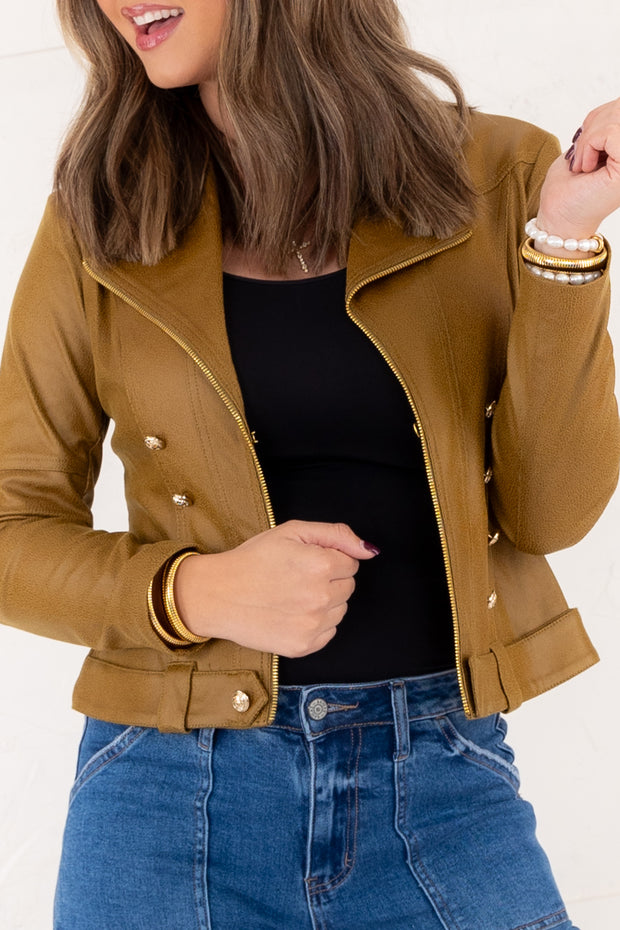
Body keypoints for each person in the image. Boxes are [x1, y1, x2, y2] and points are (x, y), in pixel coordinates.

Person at [0, 0, 619, 927]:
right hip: (169, 789)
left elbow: (549, 515)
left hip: (441, 780)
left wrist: (566, 239)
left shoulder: (500, 176)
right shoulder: (102, 214)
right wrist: (193, 591)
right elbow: (11, 527)